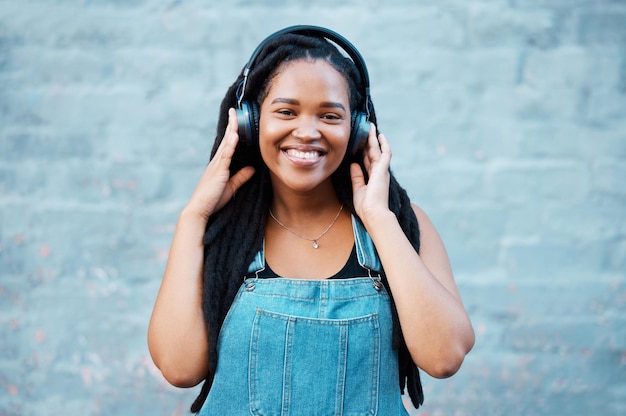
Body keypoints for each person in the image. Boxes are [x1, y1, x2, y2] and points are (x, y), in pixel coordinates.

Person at [147, 25, 474, 415]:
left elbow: (445, 357)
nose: (307, 131)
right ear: (250, 121)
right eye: (286, 111)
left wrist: (378, 218)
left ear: (357, 130)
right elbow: (179, 368)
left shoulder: (401, 224)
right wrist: (193, 217)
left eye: (330, 115)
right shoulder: (219, 232)